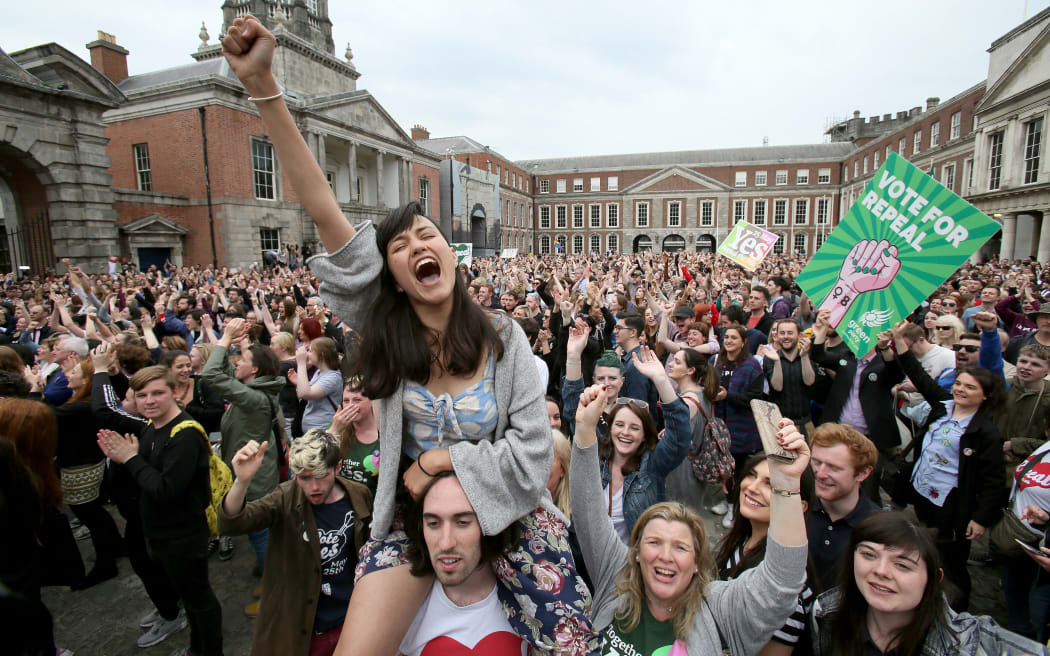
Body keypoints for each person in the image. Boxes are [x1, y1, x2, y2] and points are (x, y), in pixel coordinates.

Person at [220, 16, 595, 656]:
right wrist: (263, 87)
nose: (419, 243)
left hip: (510, 516)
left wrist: (438, 460)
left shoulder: (505, 341)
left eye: (428, 234)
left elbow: (532, 462)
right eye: (400, 243)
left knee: (573, 644)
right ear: (388, 276)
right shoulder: (383, 329)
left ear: (449, 252)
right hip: (410, 521)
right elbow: (323, 207)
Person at [571, 382, 811, 655]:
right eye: (653, 542)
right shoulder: (618, 575)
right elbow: (587, 508)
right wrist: (584, 428)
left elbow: (782, 583)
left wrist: (787, 485)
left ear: (698, 563)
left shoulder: (720, 610)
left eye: (680, 547)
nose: (665, 555)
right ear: (635, 553)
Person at [96, 365, 223, 656]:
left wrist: (130, 458)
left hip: (183, 533)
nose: (149, 401)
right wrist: (122, 459)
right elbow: (143, 479)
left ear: (175, 393)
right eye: (142, 395)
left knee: (199, 599)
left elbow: (166, 489)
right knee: (189, 599)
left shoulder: (185, 435)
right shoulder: (151, 427)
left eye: (157, 393)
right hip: (161, 530)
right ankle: (196, 648)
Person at [883, 321, 1006, 610]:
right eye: (959, 384)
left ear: (985, 395)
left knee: (950, 561)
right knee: (924, 549)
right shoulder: (943, 407)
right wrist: (900, 340)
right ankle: (923, 596)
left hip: (953, 504)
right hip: (924, 493)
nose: (961, 390)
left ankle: (956, 609)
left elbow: (993, 480)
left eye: (970, 388)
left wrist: (981, 518)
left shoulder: (984, 432)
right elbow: (917, 374)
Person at [217, 430, 373, 656]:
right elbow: (233, 523)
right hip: (305, 625)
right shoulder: (286, 498)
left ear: (337, 468)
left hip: (348, 620)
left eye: (321, 475)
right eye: (304, 478)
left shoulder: (358, 495)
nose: (313, 487)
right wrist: (242, 482)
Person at [809, 512, 1045, 656]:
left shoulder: (969, 641)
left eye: (903, 565)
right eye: (868, 555)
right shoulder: (827, 613)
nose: (880, 571)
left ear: (935, 578)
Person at [398, 472, 526, 655]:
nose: (446, 543)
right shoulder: (402, 609)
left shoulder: (528, 600)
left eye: (463, 522)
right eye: (433, 523)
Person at [200, 317, 286, 590]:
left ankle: (272, 586)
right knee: (259, 534)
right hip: (251, 475)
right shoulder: (253, 388)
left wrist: (224, 339)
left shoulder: (254, 398)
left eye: (242, 359)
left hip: (256, 480)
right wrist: (236, 343)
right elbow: (225, 374)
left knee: (261, 534)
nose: (237, 362)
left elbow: (212, 375)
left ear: (255, 369)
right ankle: (268, 572)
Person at [715, 453, 817, 654]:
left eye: (770, 485)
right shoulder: (743, 541)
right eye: (752, 475)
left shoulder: (785, 589)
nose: (752, 487)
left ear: (799, 506)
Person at [594, 346, 691, 542]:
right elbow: (572, 412)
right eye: (619, 425)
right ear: (610, 429)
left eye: (635, 428)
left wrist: (661, 381)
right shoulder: (597, 459)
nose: (625, 433)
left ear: (645, 434)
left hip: (635, 562)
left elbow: (680, 436)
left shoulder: (653, 465)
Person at [811, 309, 904, 500]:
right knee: (830, 480)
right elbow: (819, 356)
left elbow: (896, 373)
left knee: (867, 487)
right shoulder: (845, 357)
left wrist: (886, 347)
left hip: (869, 438)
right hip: (839, 432)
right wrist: (822, 329)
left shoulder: (883, 362)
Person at [806, 423, 882, 591]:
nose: (821, 474)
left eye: (834, 468)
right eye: (817, 462)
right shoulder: (797, 508)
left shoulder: (877, 529)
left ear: (863, 473)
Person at [711, 324, 764, 526]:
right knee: (725, 468)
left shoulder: (752, 366)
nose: (729, 341)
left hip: (742, 429)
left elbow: (754, 398)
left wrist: (729, 396)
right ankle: (727, 501)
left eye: (734, 338)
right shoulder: (720, 363)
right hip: (722, 427)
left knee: (738, 469)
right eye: (727, 337)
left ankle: (735, 509)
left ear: (743, 342)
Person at [664, 348, 721, 513]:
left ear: (690, 370)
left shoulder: (687, 401)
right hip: (696, 464)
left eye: (677, 362)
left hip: (683, 469)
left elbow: (679, 442)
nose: (670, 364)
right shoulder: (702, 392)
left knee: (680, 514)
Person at [758, 319, 819, 432]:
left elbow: (809, 382)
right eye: (782, 333)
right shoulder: (770, 358)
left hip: (804, 422)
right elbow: (777, 387)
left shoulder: (809, 357)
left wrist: (805, 356)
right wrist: (777, 361)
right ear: (776, 336)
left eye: (790, 333)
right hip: (779, 422)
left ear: (799, 335)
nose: (786, 337)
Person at [330, 376, 381, 497]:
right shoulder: (336, 428)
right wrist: (333, 431)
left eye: (357, 400)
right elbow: (315, 463)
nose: (350, 406)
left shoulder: (383, 435)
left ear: (372, 402)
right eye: (346, 401)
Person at [290, 336, 343, 435]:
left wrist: (301, 363)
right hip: (311, 430)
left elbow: (305, 393)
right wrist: (298, 382)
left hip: (323, 430)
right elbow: (301, 394)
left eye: (310, 351)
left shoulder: (333, 377)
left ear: (321, 355)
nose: (307, 354)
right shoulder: (319, 372)